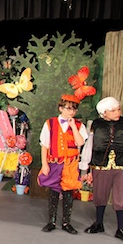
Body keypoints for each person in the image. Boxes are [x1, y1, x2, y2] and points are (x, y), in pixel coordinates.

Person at [79, 96, 123, 242]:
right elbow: (89, 145)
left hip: (121, 164)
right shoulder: (96, 125)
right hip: (101, 165)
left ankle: (121, 228)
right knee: (100, 194)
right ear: (104, 113)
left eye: (118, 109)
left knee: (121, 197)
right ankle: (98, 223)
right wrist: (84, 165)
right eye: (113, 110)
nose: (117, 112)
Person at [37, 95, 88, 234]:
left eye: (74, 109)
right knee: (53, 191)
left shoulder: (79, 125)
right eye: (68, 108)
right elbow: (44, 145)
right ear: (61, 108)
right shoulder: (50, 123)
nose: (71, 112)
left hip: (70, 165)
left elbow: (80, 142)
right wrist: (44, 164)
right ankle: (51, 221)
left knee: (68, 193)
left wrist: (73, 126)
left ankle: (66, 222)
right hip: (55, 163)